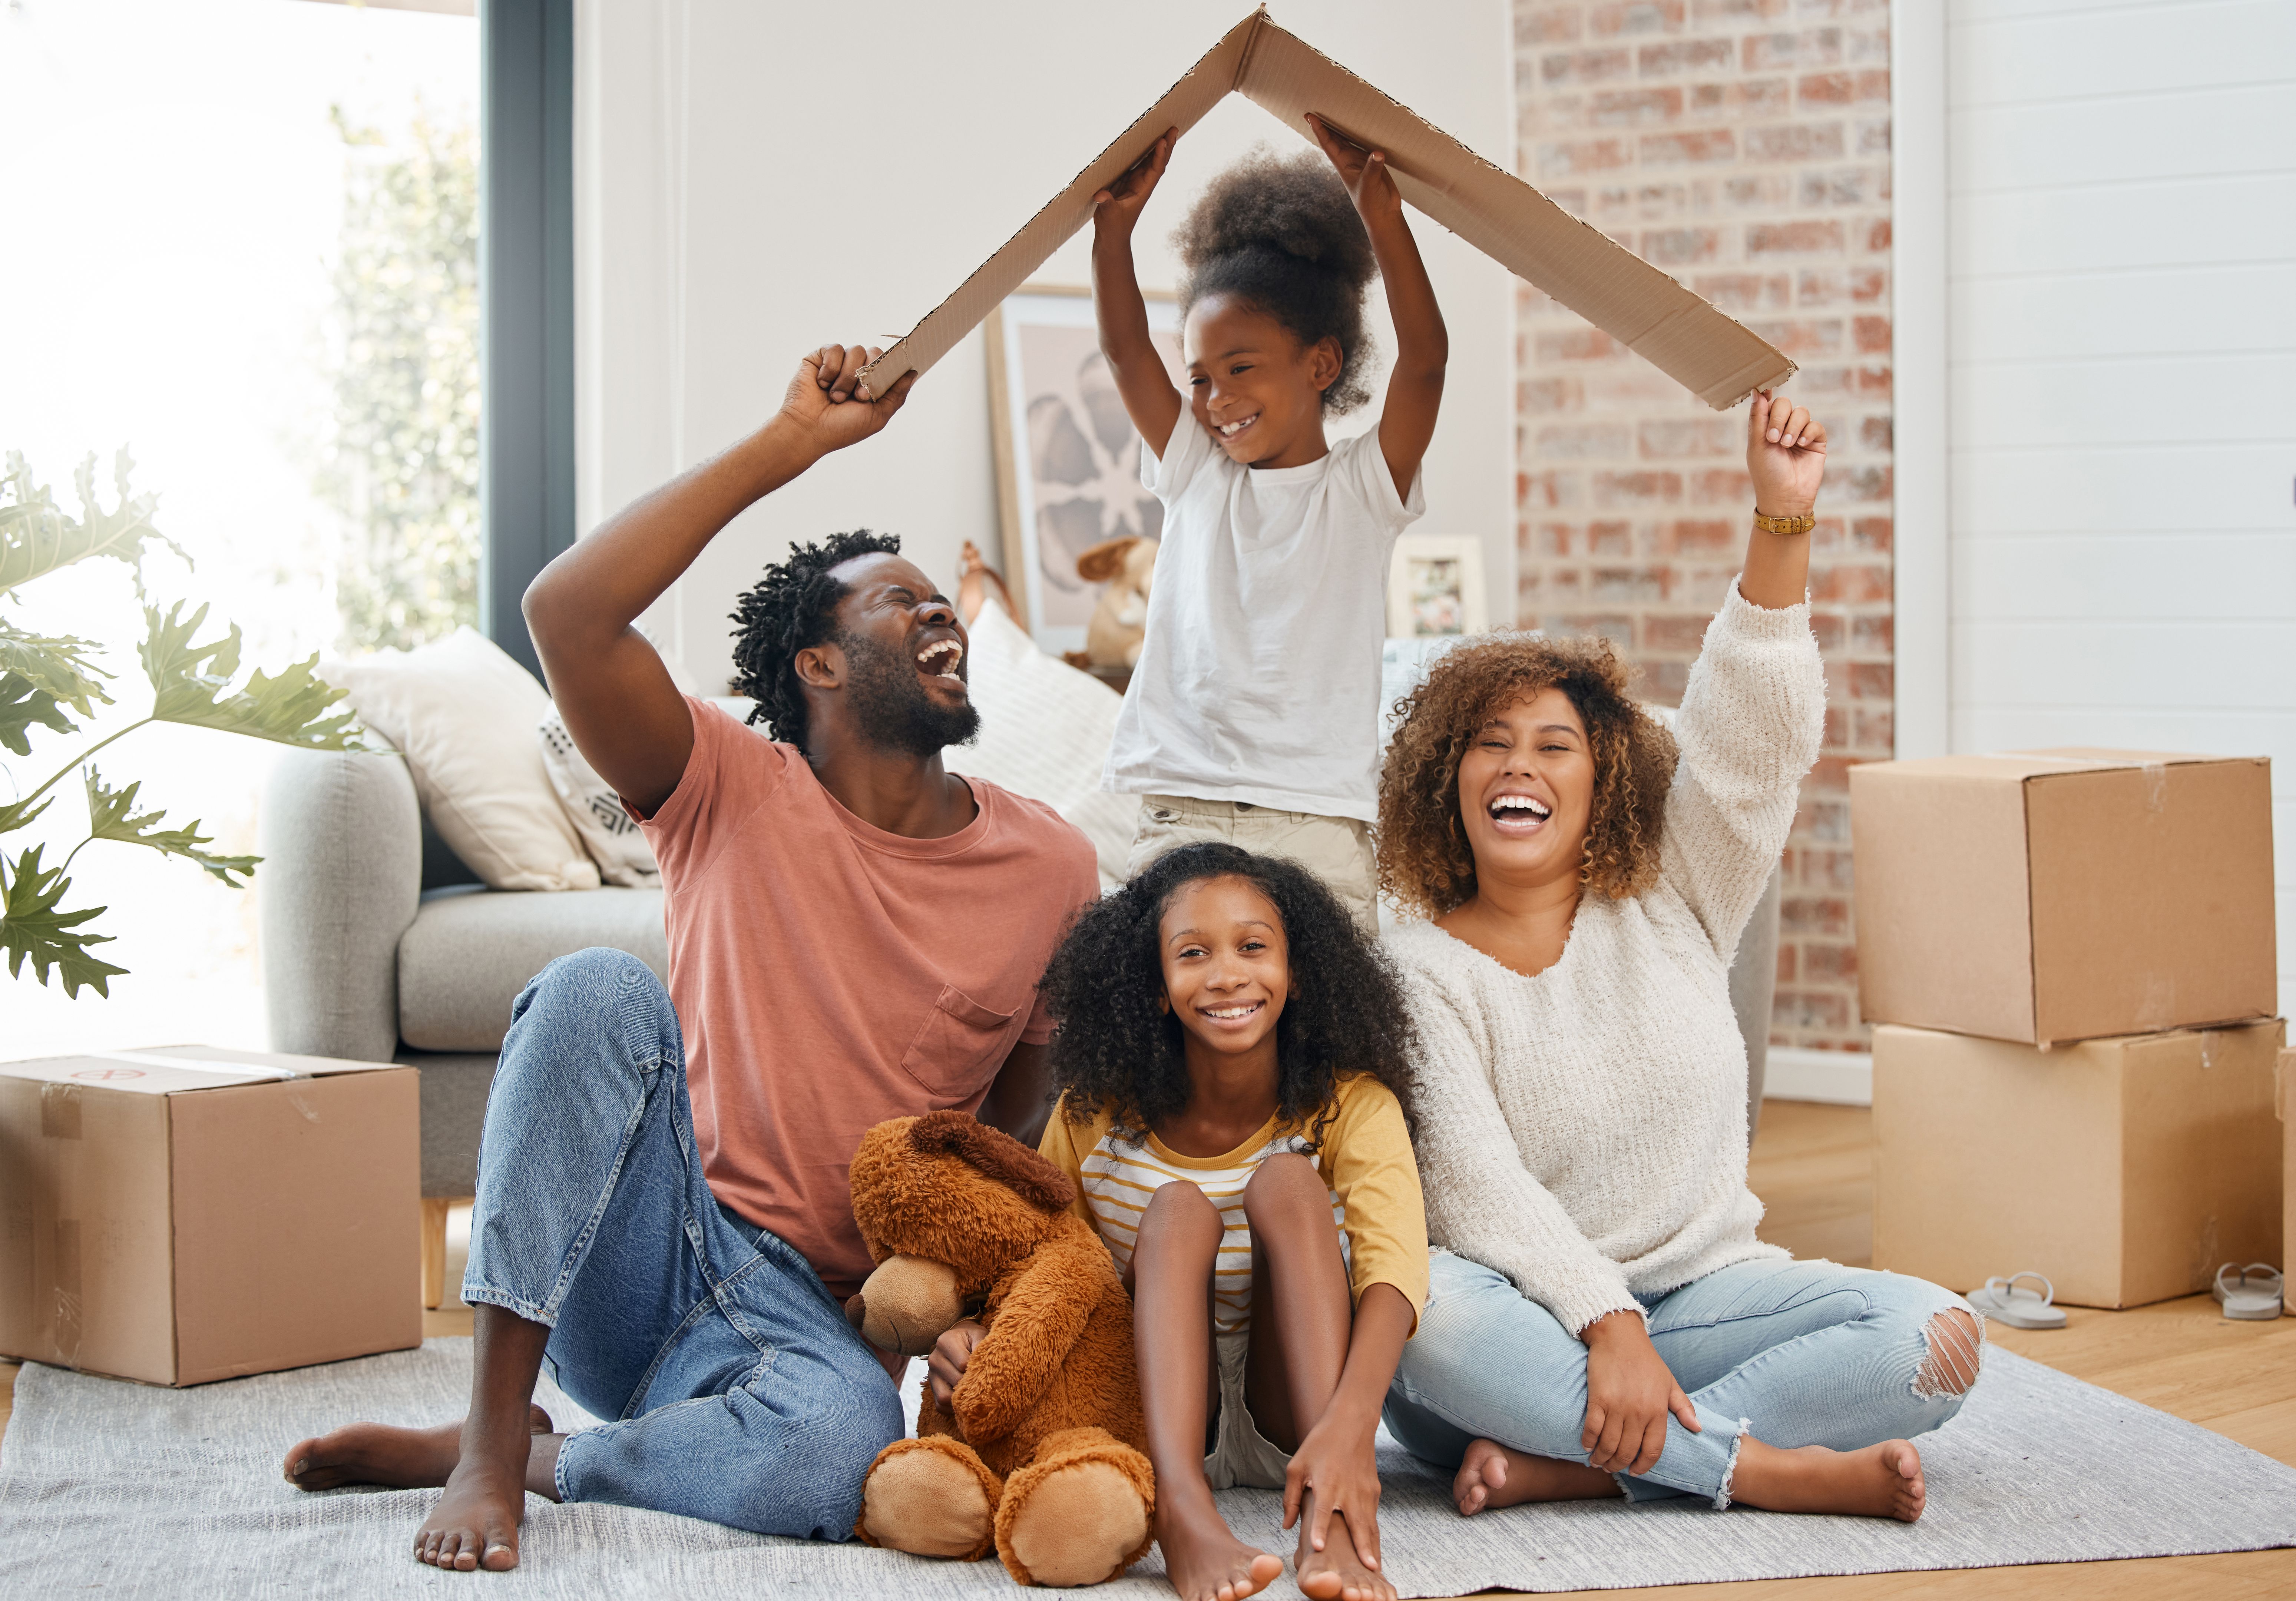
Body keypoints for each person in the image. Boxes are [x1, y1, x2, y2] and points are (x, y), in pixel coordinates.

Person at [280, 344, 1103, 1572]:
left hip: (809, 1322)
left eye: (945, 600)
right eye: (897, 599)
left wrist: (955, 1309)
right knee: (594, 989)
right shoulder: (727, 783)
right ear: (816, 666)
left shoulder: (1051, 869)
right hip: (646, 1252)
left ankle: (562, 1462)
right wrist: (793, 443)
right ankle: (494, 1435)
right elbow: (565, 612)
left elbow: (1006, 1136)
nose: (940, 610)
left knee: (836, 1462)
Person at [1376, 392, 1984, 1524]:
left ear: (1603, 781)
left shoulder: (1678, 896)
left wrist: (1780, 519)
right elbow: (1471, 1190)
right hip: (1521, 1330)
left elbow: (1749, 746)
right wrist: (1604, 1324)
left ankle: (1584, 1468)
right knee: (1421, 1310)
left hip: (1706, 1303)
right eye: (1490, 744)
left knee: (1934, 1337)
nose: (1523, 765)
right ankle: (1760, 1472)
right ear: (1444, 780)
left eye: (1556, 745)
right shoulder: (1415, 965)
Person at [1012, 843, 1426, 1601]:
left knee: (1290, 1183)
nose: (1228, 974)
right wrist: (980, 1328)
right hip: (1167, 1426)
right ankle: (1182, 1510)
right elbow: (1043, 1264)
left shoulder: (1352, 1104)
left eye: (1253, 947)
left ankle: (1326, 1526)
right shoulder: (1092, 1117)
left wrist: (1350, 1431)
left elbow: (1394, 1270)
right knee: (1174, 1210)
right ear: (1159, 987)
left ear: (1297, 973)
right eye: (1193, 953)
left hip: (1301, 1426)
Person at [1090, 116, 1448, 932]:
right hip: (1183, 809)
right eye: (1201, 379)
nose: (1217, 401)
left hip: (1315, 820)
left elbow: (1426, 362)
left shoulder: (1362, 487)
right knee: (1174, 1036)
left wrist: (1383, 220)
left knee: (1316, 1045)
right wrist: (1114, 233)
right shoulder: (1193, 473)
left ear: (1321, 365)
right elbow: (1122, 352)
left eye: (1240, 368)